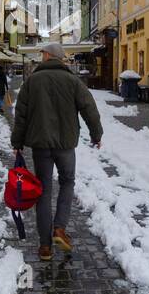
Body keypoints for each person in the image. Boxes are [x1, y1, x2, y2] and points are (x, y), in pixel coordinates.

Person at [10, 42, 102, 261]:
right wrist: (96, 134)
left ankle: (45, 247)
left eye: (43, 53)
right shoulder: (73, 81)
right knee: (67, 182)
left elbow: (21, 115)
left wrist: (17, 142)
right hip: (66, 145)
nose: (41, 56)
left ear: (49, 56)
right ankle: (59, 228)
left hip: (41, 145)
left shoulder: (32, 81)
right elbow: (89, 108)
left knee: (43, 191)